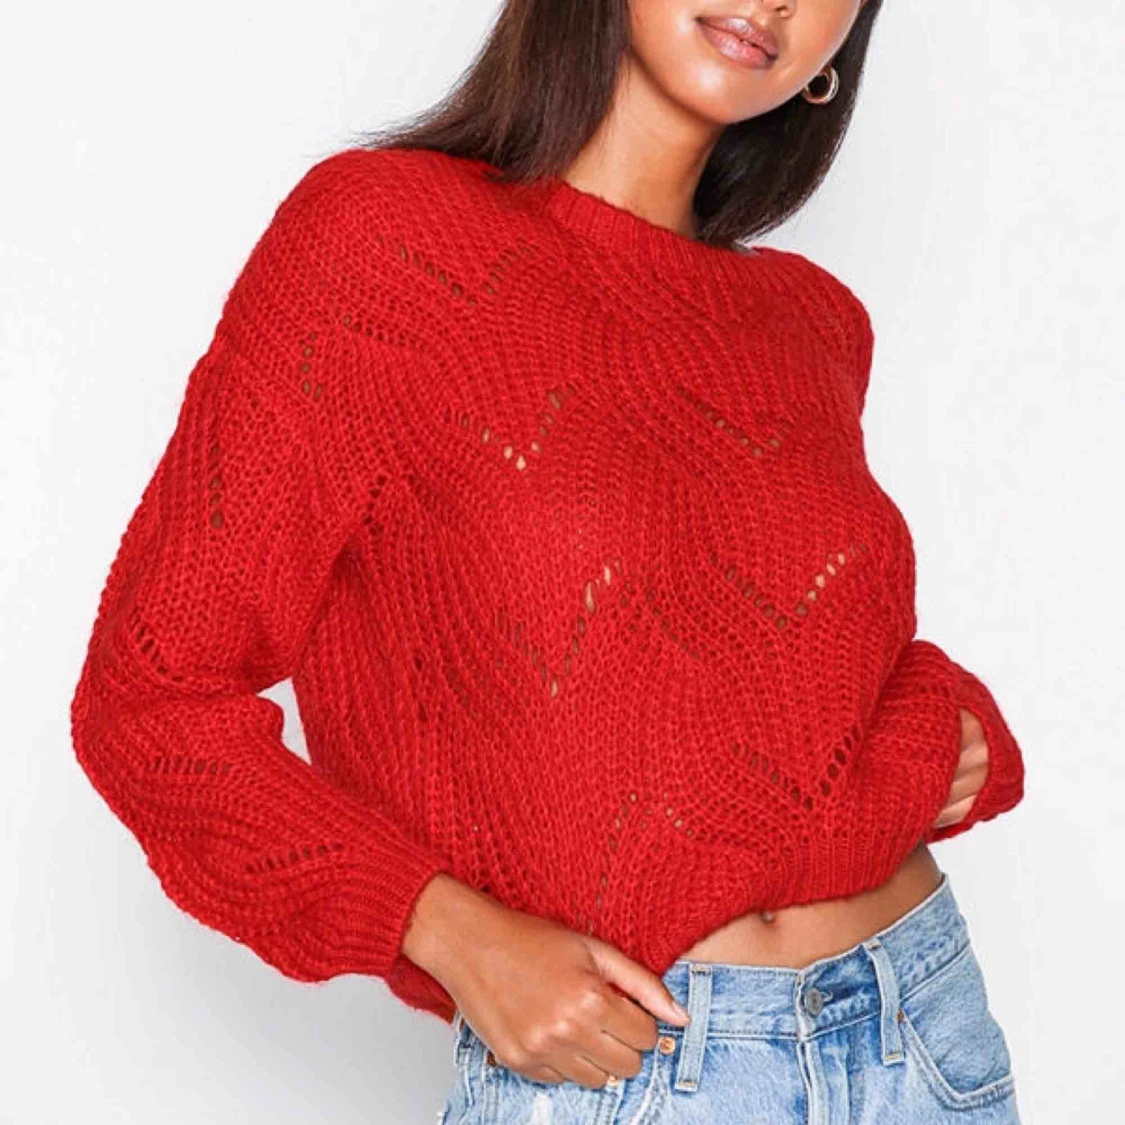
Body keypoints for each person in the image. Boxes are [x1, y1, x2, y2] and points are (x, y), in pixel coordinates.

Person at [69, 0, 1027, 1121]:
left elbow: (775, 671)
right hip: (631, 1066)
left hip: (922, 1030)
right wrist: (441, 924)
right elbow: (150, 700)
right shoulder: (381, 240)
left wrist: (946, 721)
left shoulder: (812, 324)